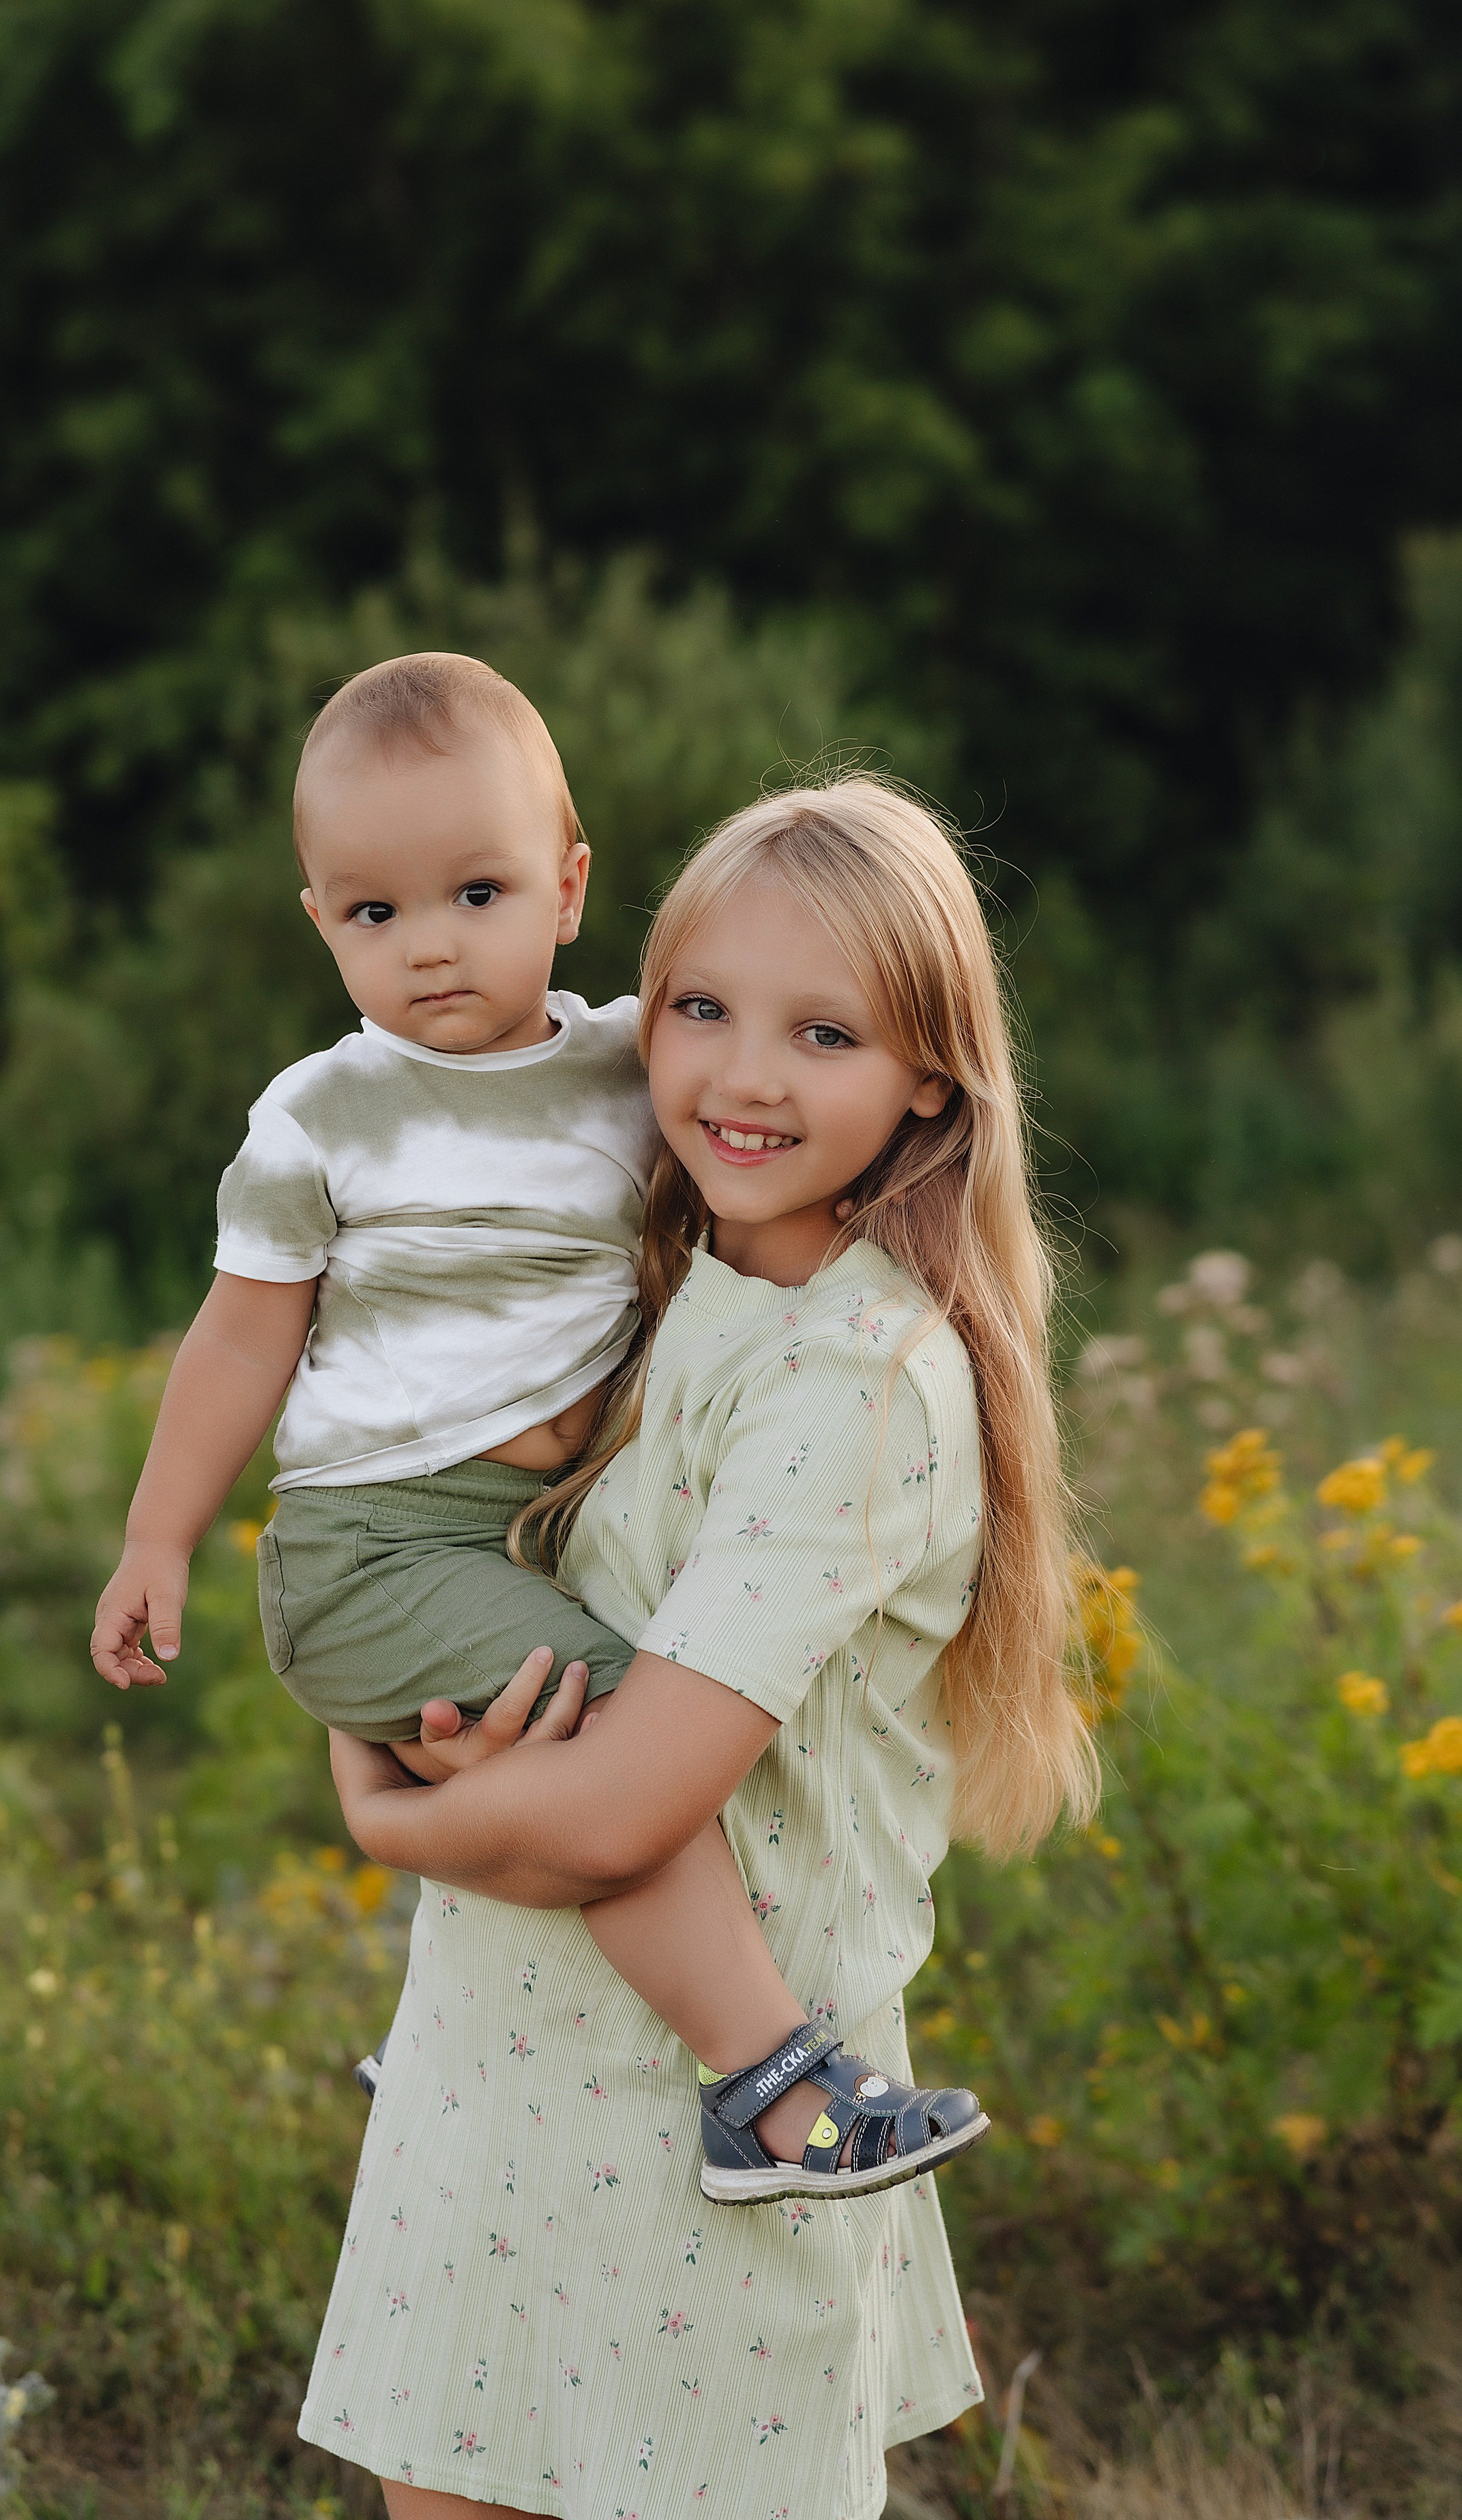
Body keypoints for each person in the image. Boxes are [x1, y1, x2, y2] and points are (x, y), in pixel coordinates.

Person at [89, 659, 986, 2206]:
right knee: (604, 1736)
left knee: (578, 1737)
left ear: (567, 887)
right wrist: (158, 1534)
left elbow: (760, 1108)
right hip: (375, 1537)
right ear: (318, 922)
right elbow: (244, 1331)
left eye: (477, 890)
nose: (429, 943)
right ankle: (768, 2086)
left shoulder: (632, 1063)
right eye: (372, 914)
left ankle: (447, 2047)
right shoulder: (319, 1116)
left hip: (518, 1524)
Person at [304, 776, 1098, 2520]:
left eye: (822, 1031)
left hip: (712, 2153)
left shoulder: (856, 1380)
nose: (742, 1076)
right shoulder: (655, 1300)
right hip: (499, 2073)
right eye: (701, 1008)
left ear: (925, 1081)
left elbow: (612, 1813)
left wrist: (391, 1817)